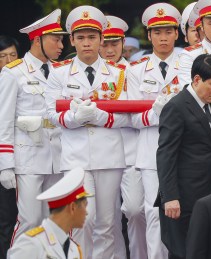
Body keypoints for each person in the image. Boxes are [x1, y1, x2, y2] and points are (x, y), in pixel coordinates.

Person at [44, 6, 130, 259]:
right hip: (76, 157)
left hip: (109, 155)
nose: (87, 43)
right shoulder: (59, 73)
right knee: (84, 219)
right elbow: (51, 114)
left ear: (102, 39)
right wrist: (75, 118)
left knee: (106, 223)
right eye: (80, 38)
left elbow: (127, 115)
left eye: (92, 37)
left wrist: (102, 117)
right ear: (72, 40)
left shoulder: (119, 73)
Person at [0, 9, 66, 246]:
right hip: (27, 156)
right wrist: (5, 164)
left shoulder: (61, 71)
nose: (61, 45)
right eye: (55, 39)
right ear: (38, 40)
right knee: (30, 220)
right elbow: (4, 120)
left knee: (56, 221)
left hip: (58, 155)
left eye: (61, 39)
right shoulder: (13, 72)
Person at [126, 3, 183, 258]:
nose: (163, 37)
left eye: (168, 32)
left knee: (184, 211)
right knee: (153, 213)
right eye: (157, 32)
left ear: (176, 34)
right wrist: (157, 112)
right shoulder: (135, 70)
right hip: (151, 149)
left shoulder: (188, 64)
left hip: (185, 147)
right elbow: (133, 119)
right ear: (148, 36)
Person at [156, 54, 211, 259]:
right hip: (183, 199)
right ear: (196, 80)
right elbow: (166, 154)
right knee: (183, 253)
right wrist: (170, 197)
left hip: (208, 194)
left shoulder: (210, 105)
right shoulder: (176, 107)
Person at [99, 15, 148, 259]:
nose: (109, 50)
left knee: (135, 209)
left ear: (122, 43)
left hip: (131, 150)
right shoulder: (90, 72)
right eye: (104, 44)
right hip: (99, 151)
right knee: (105, 217)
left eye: (114, 43)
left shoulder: (137, 71)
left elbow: (141, 112)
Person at [7, 167, 92, 259]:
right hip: (27, 164)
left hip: (55, 166)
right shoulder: (31, 244)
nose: (87, 212)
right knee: (30, 220)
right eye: (84, 205)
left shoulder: (74, 250)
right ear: (72, 208)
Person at [0, 35, 19, 259]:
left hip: (9, 157)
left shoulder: (19, 79)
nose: (8, 60)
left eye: (13, 55)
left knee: (9, 218)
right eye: (3, 56)